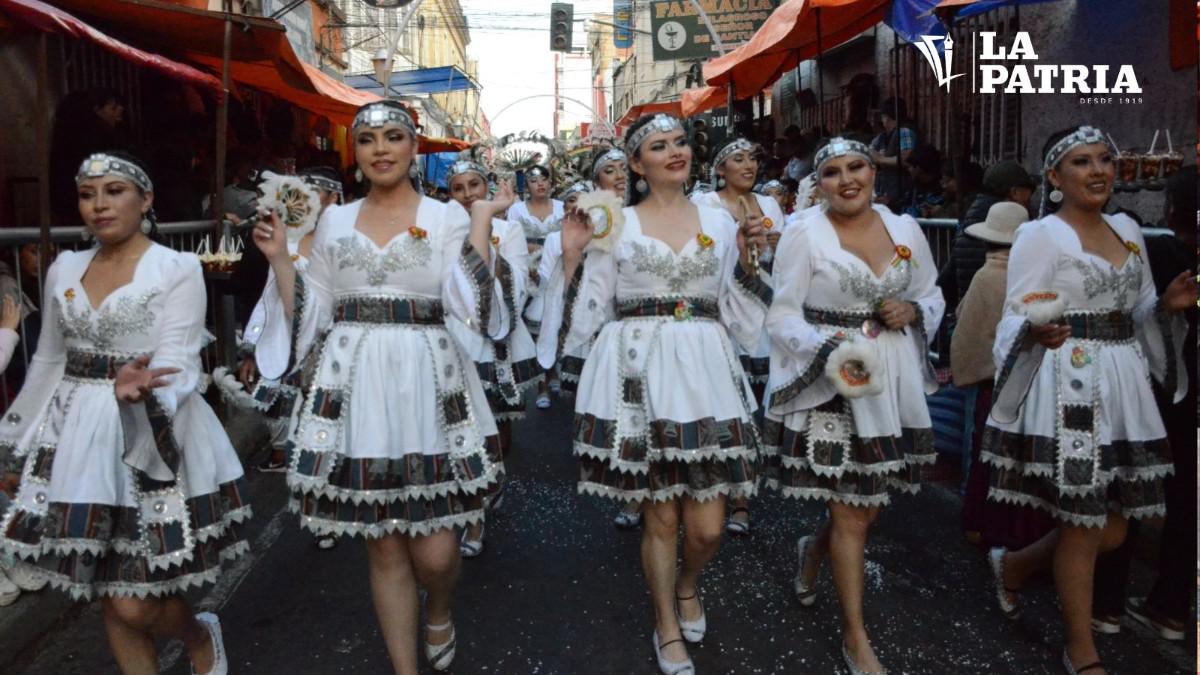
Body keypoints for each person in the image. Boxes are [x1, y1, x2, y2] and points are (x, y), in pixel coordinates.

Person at [252, 100, 511, 673]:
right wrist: (280, 262)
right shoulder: (333, 221)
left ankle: (439, 608)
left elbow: (471, 308)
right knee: (385, 543)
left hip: (429, 382)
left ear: (414, 148)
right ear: (357, 153)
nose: (382, 149)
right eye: (368, 140)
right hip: (356, 387)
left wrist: (480, 224)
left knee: (438, 553)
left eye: (394, 137)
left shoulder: (444, 217)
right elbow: (312, 313)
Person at [537, 113, 769, 674]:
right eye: (658, 146)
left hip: (706, 370)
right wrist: (571, 256)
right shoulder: (615, 223)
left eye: (681, 143)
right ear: (636, 166)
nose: (675, 152)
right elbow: (590, 309)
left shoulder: (718, 216)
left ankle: (688, 583)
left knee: (709, 527)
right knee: (661, 518)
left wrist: (747, 259)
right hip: (641, 371)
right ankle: (667, 620)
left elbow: (741, 315)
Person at [0, 151, 249, 674]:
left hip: (149, 434)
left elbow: (181, 360)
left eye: (114, 191)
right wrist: (12, 438)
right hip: (73, 438)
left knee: (135, 598)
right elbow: (48, 358)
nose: (99, 205)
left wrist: (145, 397)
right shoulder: (64, 266)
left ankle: (198, 636)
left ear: (146, 200)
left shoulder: (177, 267)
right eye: (88, 195)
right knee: (108, 590)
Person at [980, 127, 1195, 675]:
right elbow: (1015, 314)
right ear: (1054, 178)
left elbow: (1139, 308)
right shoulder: (1040, 235)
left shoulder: (1128, 229)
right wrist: (1036, 329)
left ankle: (1016, 566)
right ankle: (1081, 649)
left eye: (1105, 159)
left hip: (1124, 382)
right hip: (1071, 380)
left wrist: (1167, 305)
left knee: (1116, 528)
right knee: (1082, 522)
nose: (1098, 171)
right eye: (1081, 162)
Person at [765, 137, 944, 675]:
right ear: (817, 184)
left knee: (868, 509)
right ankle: (855, 636)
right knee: (852, 511)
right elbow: (782, 316)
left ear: (873, 172)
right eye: (833, 172)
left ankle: (815, 552)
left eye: (857, 167)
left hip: (891, 380)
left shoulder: (906, 228)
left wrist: (912, 308)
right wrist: (828, 350)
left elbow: (934, 292)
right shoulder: (803, 234)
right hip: (833, 382)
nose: (848, 180)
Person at [1089, 165, 1197, 640]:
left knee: (1130, 490)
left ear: (1171, 210)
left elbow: (1130, 319)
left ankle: (1107, 606)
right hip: (1182, 395)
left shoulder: (1154, 252)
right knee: (1183, 497)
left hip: (1155, 390)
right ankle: (1171, 607)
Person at [236, 166, 344, 549]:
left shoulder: (347, 242)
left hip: (343, 350)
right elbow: (270, 301)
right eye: (304, 193)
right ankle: (322, 509)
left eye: (318, 194)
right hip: (298, 352)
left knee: (344, 433)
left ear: (333, 198)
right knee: (305, 431)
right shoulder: (289, 244)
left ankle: (351, 498)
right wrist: (250, 347)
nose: (309, 202)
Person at [691, 138, 787, 537]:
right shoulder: (705, 207)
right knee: (726, 405)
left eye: (752, 158)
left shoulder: (771, 205)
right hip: (723, 311)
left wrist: (774, 247)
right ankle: (717, 489)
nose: (748, 166)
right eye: (738, 159)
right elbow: (701, 256)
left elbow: (784, 257)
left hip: (764, 312)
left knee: (755, 409)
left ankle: (744, 495)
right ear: (719, 169)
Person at [446, 160, 537, 558]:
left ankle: (493, 480)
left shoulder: (509, 229)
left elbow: (519, 285)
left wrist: (488, 251)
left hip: (498, 340)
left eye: (474, 185)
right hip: (456, 340)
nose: (468, 195)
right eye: (458, 188)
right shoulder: (438, 230)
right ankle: (474, 512)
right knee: (463, 430)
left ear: (487, 187)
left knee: (497, 430)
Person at [953, 202, 1054, 551]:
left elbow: (968, 328)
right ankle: (1018, 533)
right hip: (1029, 379)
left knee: (985, 451)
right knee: (1019, 458)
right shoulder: (1036, 275)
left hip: (991, 379)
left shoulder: (987, 275)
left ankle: (979, 523)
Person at [937, 160, 1038, 311]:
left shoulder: (970, 220)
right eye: (1028, 191)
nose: (1030, 197)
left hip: (973, 309)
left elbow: (949, 277)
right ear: (1015, 192)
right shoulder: (1002, 226)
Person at [509, 165, 564, 407]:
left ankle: (552, 370)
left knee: (556, 321)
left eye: (544, 179)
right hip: (530, 272)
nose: (540, 184)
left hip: (558, 268)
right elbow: (513, 239)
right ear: (526, 185)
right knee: (535, 325)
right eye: (533, 180)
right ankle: (542, 381)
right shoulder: (516, 209)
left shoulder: (563, 207)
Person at [868, 97, 917, 212]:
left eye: (883, 116)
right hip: (884, 194)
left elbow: (907, 159)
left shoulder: (904, 132)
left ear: (887, 117)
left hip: (901, 196)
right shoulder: (882, 137)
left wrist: (881, 159)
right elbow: (869, 152)